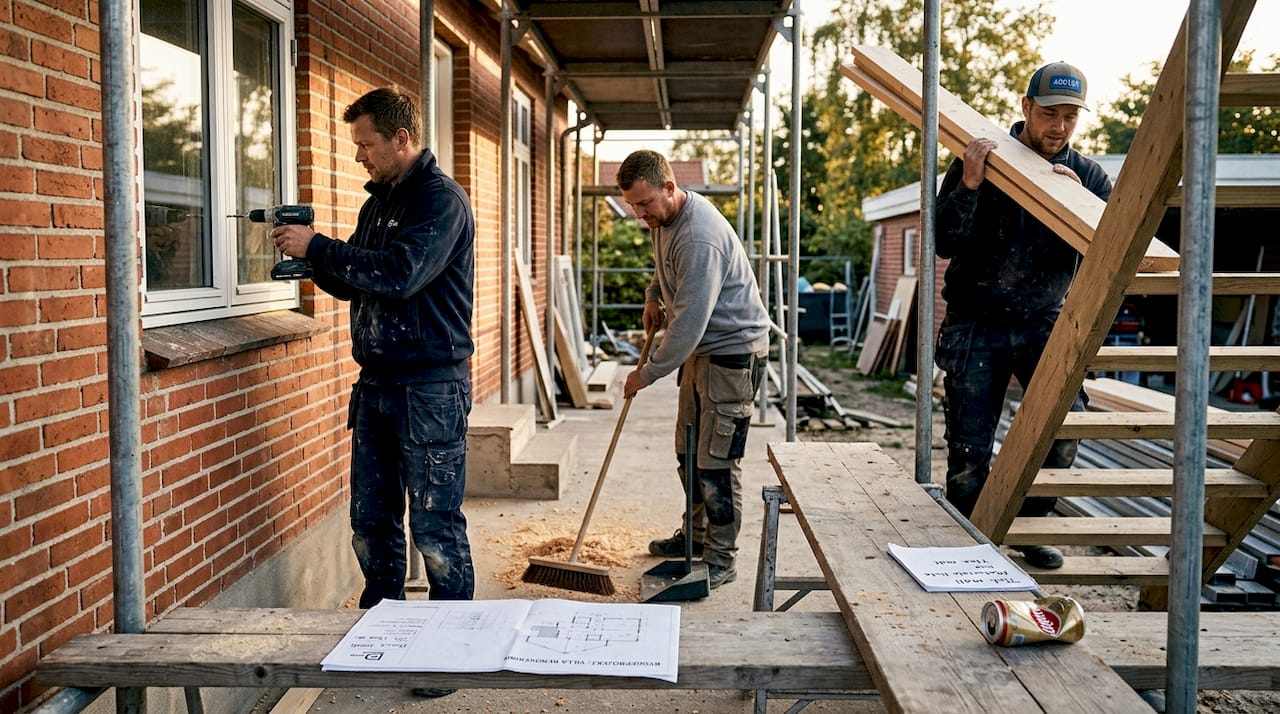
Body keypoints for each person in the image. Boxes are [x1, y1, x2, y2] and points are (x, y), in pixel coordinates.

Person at [273, 88, 475, 695]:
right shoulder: (380, 202)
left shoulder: (440, 202)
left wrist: (322, 249)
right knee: (371, 520)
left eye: (365, 144)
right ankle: (382, 633)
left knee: (435, 527)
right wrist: (311, 261)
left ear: (401, 140)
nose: (358, 155)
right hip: (380, 385)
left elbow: (400, 274)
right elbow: (363, 284)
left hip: (430, 389)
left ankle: (450, 649)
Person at [934, 62, 1113, 570]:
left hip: (1043, 319)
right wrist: (969, 184)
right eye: (1050, 114)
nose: (1058, 127)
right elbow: (945, 241)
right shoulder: (981, 158)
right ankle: (971, 545)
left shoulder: (1091, 177)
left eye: (1070, 118)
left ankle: (1027, 529)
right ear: (1025, 107)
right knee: (970, 444)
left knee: (1065, 427)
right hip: (977, 319)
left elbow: (1109, 253)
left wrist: (1074, 201)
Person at [617, 150, 771, 590]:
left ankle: (721, 558)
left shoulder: (699, 236)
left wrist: (646, 372)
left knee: (716, 462)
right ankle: (696, 538)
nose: (640, 214)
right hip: (702, 352)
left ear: (670, 187)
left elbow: (687, 324)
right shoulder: (663, 221)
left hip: (732, 354)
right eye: (633, 206)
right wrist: (651, 294)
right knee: (689, 452)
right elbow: (664, 270)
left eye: (644, 203)